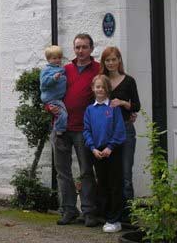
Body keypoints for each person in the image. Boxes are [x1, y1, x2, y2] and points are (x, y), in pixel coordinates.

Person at [50, 33, 100, 227]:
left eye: (84, 47)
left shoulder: (98, 69)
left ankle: (89, 212)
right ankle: (69, 210)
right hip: (61, 128)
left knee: (86, 171)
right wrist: (49, 108)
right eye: (77, 47)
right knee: (63, 172)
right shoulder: (65, 69)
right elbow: (51, 93)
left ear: (91, 49)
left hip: (83, 129)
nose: (80, 51)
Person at [100, 46, 141, 215]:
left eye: (113, 59)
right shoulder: (101, 81)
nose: (110, 63)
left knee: (125, 174)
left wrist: (124, 103)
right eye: (107, 60)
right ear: (104, 62)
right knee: (109, 174)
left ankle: (128, 215)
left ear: (119, 60)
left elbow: (137, 105)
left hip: (125, 129)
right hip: (106, 131)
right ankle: (110, 213)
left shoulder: (129, 80)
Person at [83, 74, 126, 233]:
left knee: (115, 185)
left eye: (102, 87)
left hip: (112, 151)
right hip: (97, 152)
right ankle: (107, 216)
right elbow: (86, 131)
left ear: (107, 89)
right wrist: (93, 148)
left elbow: (120, 130)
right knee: (103, 185)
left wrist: (110, 147)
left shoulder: (113, 108)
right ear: (93, 89)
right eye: (97, 86)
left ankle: (115, 220)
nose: (99, 89)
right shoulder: (89, 110)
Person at [40, 45, 68, 135]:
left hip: (57, 98)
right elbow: (43, 83)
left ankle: (59, 128)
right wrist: (53, 79)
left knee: (63, 113)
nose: (57, 60)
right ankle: (58, 130)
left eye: (59, 58)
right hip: (51, 99)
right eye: (54, 58)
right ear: (48, 59)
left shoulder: (61, 69)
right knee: (62, 114)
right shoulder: (46, 70)